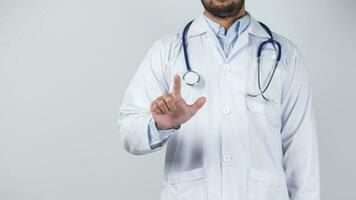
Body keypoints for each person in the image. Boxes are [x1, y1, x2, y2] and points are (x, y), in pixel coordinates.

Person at [118, 0, 320, 199]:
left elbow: (301, 147)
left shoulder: (285, 55)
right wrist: (159, 126)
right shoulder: (166, 51)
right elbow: (129, 130)